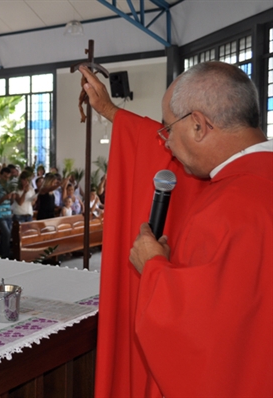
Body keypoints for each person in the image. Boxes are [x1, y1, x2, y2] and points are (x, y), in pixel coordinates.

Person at [81, 61, 272, 397]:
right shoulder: (251, 183)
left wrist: (152, 267)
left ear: (198, 125)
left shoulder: (223, 210)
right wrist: (111, 111)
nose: (165, 142)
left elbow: (197, 340)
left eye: (167, 129)